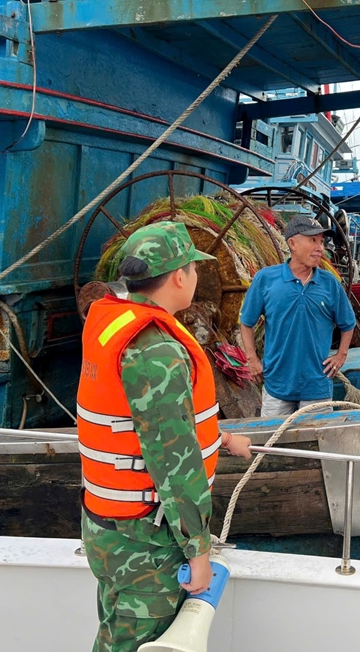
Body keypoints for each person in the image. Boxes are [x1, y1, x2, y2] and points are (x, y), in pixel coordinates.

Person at [77, 221, 253, 652]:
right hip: (146, 543)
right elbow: (173, 465)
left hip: (107, 530)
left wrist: (222, 439)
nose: (195, 277)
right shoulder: (157, 350)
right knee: (135, 644)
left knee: (115, 634)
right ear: (179, 276)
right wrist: (199, 552)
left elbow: (141, 424)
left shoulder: (111, 325)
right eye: (193, 269)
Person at [240, 215, 356, 416]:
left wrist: (341, 355)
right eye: (313, 240)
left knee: (315, 442)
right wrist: (252, 359)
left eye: (321, 241)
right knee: (274, 443)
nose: (320, 247)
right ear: (292, 243)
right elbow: (246, 322)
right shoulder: (266, 279)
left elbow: (348, 323)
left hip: (317, 386)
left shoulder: (330, 284)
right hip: (277, 385)